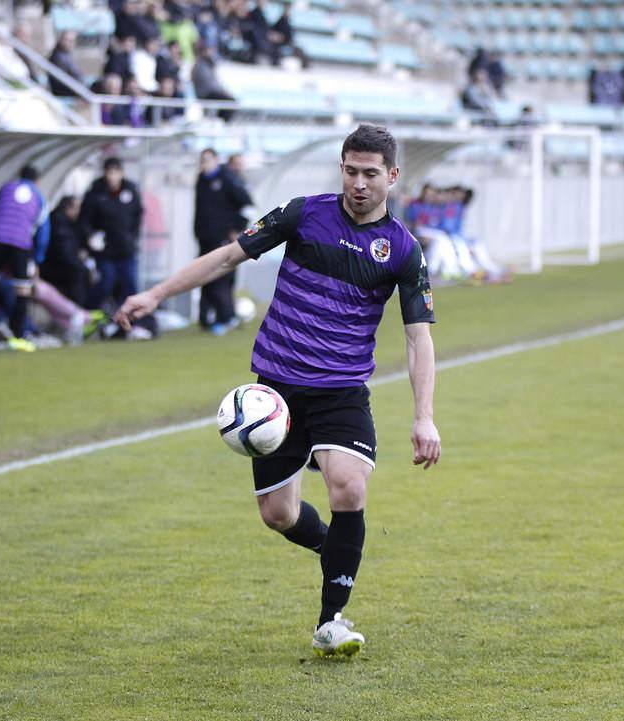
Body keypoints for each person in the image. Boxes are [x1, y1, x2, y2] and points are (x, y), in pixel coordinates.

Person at [115, 124, 441, 656]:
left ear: (393, 176)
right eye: (351, 171)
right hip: (276, 393)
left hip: (340, 389)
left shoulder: (402, 249)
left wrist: (423, 416)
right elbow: (227, 257)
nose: (359, 184)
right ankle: (334, 550)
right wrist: (156, 294)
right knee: (278, 515)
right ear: (341, 168)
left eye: (370, 174)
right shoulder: (302, 214)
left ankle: (331, 621)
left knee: (348, 486)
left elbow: (417, 337)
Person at [0, 166, 50, 347]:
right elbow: (43, 231)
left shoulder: (5, 188)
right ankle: (18, 336)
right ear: (38, 180)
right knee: (23, 289)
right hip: (20, 243)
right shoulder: (38, 196)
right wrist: (37, 259)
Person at [193, 147, 252, 334]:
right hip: (205, 238)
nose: (205, 164)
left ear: (216, 160)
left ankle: (226, 317)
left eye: (208, 159)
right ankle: (205, 318)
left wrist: (237, 229)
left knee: (220, 277)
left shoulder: (228, 179)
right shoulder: (201, 180)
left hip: (222, 238)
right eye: (202, 160)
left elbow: (247, 206)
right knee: (203, 276)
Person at [79, 157, 144, 310]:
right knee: (105, 283)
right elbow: (84, 220)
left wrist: (132, 237)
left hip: (126, 249)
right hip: (105, 251)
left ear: (121, 173)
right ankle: (88, 313)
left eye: (116, 172)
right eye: (109, 172)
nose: (112, 176)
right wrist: (91, 237)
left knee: (130, 285)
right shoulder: (95, 193)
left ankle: (129, 318)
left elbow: (138, 215)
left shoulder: (131, 190)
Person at [41, 195, 90, 307]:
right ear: (68, 208)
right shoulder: (59, 223)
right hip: (51, 267)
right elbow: (64, 254)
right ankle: (77, 310)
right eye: (77, 208)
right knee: (80, 272)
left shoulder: (65, 222)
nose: (79, 212)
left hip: (56, 264)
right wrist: (81, 264)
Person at [48, 31, 85, 96]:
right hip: (66, 92)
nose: (69, 43)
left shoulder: (67, 55)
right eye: (67, 40)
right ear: (61, 40)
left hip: (76, 89)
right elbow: (60, 81)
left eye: (72, 41)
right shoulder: (57, 57)